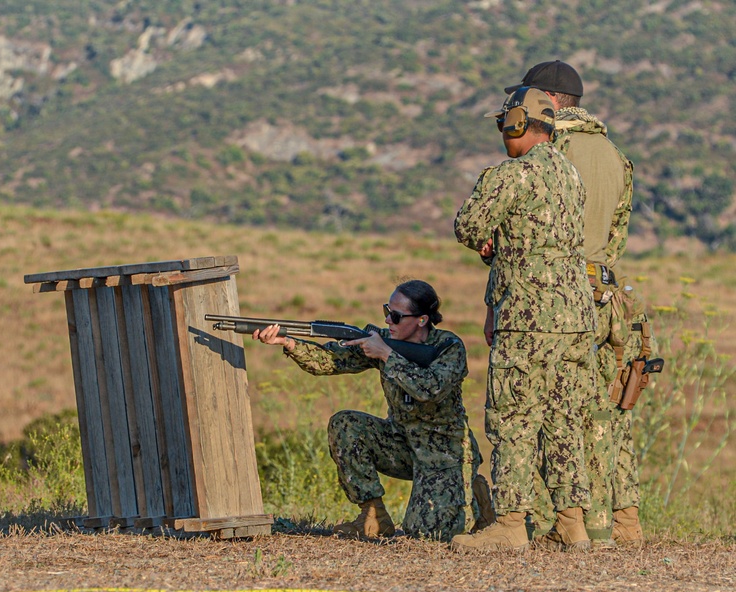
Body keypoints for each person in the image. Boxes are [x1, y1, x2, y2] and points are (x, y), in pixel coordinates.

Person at [450, 86, 597, 552]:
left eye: (503, 124)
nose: (501, 133)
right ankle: (572, 522)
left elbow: (467, 226)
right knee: (564, 416)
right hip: (576, 316)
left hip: (528, 317)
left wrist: (491, 238)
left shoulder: (510, 175)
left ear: (517, 122)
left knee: (513, 416)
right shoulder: (571, 175)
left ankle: (511, 525)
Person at [505, 60, 644, 548]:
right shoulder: (616, 156)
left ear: (548, 99)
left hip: (555, 300)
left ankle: (582, 525)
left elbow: (527, 228)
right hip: (604, 294)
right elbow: (616, 239)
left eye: (524, 95)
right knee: (603, 413)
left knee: (546, 412)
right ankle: (623, 522)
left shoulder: (548, 151)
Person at [252, 280, 492, 542]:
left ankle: (475, 494)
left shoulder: (448, 347)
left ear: (422, 320)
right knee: (346, 424)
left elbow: (430, 389)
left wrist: (387, 355)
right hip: (402, 445)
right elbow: (328, 361)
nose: (389, 320)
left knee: (426, 534)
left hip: (445, 454)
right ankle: (373, 517)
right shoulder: (383, 341)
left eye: (397, 316)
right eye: (387, 311)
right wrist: (288, 343)